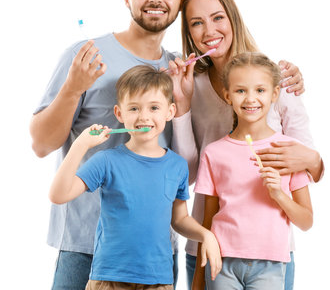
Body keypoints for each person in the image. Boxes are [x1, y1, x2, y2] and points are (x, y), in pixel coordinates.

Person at [30, 0, 184, 290]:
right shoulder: (85, 57)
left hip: (154, 252)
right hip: (86, 247)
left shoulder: (179, 70)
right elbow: (41, 144)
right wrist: (73, 88)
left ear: (179, 0)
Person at [169, 0, 323, 290]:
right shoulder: (190, 83)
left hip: (271, 253)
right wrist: (182, 106)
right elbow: (186, 174)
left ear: (234, 19)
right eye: (197, 23)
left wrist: (308, 162)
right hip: (209, 246)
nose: (209, 30)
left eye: (217, 18)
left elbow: (311, 165)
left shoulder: (275, 80)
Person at [48, 65, 222, 290]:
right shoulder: (106, 161)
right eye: (134, 108)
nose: (144, 117)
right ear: (119, 113)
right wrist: (80, 145)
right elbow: (58, 194)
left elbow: (179, 220)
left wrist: (205, 235)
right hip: (108, 279)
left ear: (169, 112)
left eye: (154, 108)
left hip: (158, 281)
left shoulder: (177, 166)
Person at [192, 52, 313, 290]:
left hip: (270, 264)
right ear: (228, 96)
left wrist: (279, 195)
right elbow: (207, 221)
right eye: (240, 91)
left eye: (260, 90)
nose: (251, 99)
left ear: (274, 94)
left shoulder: (289, 151)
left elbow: (306, 221)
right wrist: (197, 282)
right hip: (221, 262)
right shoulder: (214, 153)